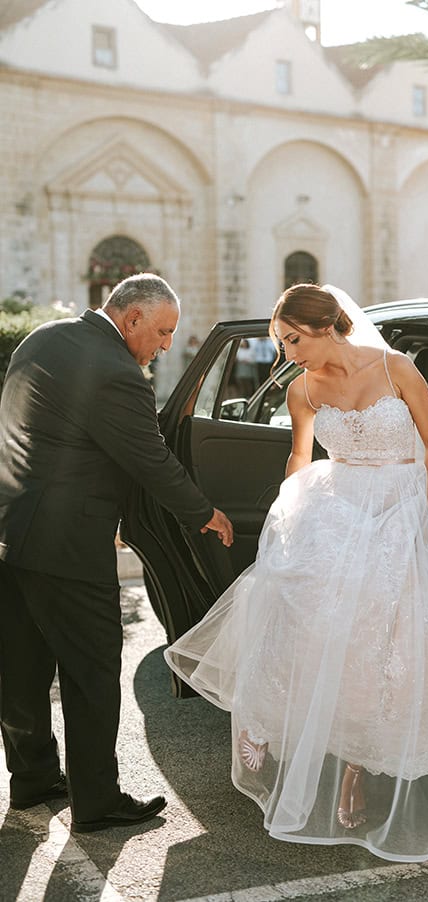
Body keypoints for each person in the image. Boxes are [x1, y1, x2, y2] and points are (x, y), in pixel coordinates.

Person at [165, 283, 428, 861]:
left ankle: (356, 766)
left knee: (382, 631)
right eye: (281, 343)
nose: (287, 354)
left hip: (399, 499)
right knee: (293, 598)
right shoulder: (302, 391)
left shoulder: (398, 369)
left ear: (327, 325)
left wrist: (426, 513)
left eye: (292, 339)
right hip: (338, 496)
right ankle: (263, 715)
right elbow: (301, 457)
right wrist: (289, 511)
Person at [0, 273, 233, 834]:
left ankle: (32, 777)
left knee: (20, 666)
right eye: (162, 331)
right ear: (131, 319)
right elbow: (149, 458)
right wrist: (204, 512)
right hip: (69, 544)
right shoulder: (117, 373)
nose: (165, 345)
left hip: (11, 529)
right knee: (93, 669)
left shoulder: (43, 340)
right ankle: (98, 800)